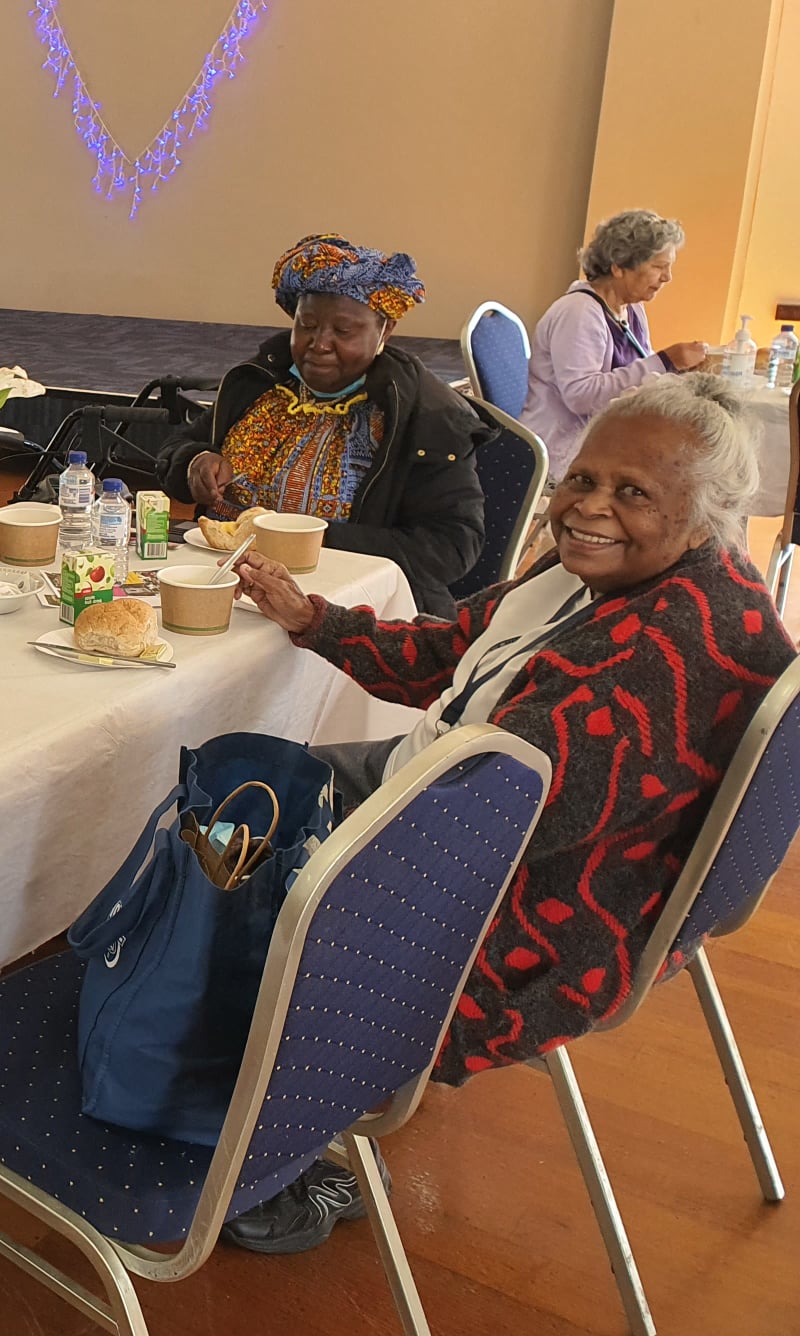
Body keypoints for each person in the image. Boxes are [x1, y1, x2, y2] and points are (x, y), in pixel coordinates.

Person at [223, 374, 792, 1254]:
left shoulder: (659, 653)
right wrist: (316, 620)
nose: (589, 507)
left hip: (523, 917)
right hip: (485, 809)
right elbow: (458, 655)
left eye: (633, 493)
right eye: (583, 479)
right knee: (247, 792)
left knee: (227, 832)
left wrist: (281, 858)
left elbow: (467, 838)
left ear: (704, 516)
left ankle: (266, 1147)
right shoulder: (617, 576)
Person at [156, 233, 490, 617]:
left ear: (385, 330)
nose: (319, 344)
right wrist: (194, 461)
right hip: (224, 587)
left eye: (343, 331)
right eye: (307, 325)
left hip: (348, 612)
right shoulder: (260, 383)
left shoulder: (423, 414)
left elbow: (452, 546)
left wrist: (312, 539)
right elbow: (174, 452)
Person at [520, 207, 704, 480]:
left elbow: (639, 372)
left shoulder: (631, 308)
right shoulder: (579, 313)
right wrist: (666, 361)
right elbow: (581, 396)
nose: (667, 277)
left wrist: (680, 370)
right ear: (618, 266)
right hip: (564, 448)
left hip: (603, 435)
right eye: (658, 267)